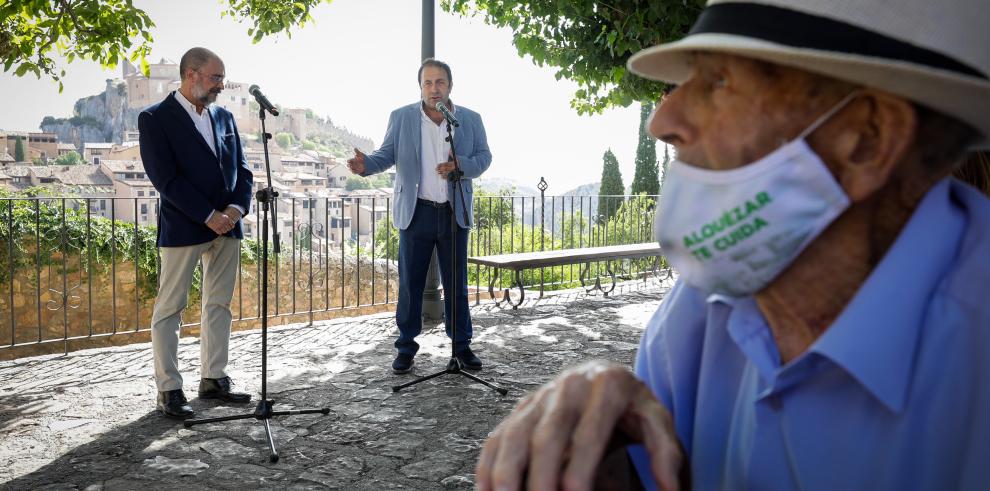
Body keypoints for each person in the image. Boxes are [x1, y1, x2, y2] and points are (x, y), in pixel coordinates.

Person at [475, 1, 990, 490]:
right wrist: (606, 446)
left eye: (718, 80)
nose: (662, 120)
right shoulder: (699, 310)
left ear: (868, 137)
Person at [346, 59, 492, 374]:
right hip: (416, 212)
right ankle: (406, 349)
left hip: (454, 213)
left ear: (450, 85)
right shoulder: (401, 118)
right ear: (420, 87)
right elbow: (386, 154)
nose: (433, 88)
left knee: (457, 286)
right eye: (427, 82)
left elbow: (484, 157)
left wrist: (460, 165)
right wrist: (366, 166)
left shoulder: (469, 119)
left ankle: (461, 347)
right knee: (410, 287)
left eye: (439, 82)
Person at [140, 47, 254, 419]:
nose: (221, 85)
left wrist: (235, 210)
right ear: (191, 74)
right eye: (215, 77)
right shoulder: (155, 118)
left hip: (228, 226)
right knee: (170, 308)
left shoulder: (224, 117)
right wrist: (208, 215)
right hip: (185, 225)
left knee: (219, 304)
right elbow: (165, 178)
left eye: (222, 78)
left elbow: (242, 169)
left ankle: (214, 379)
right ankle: (169, 389)